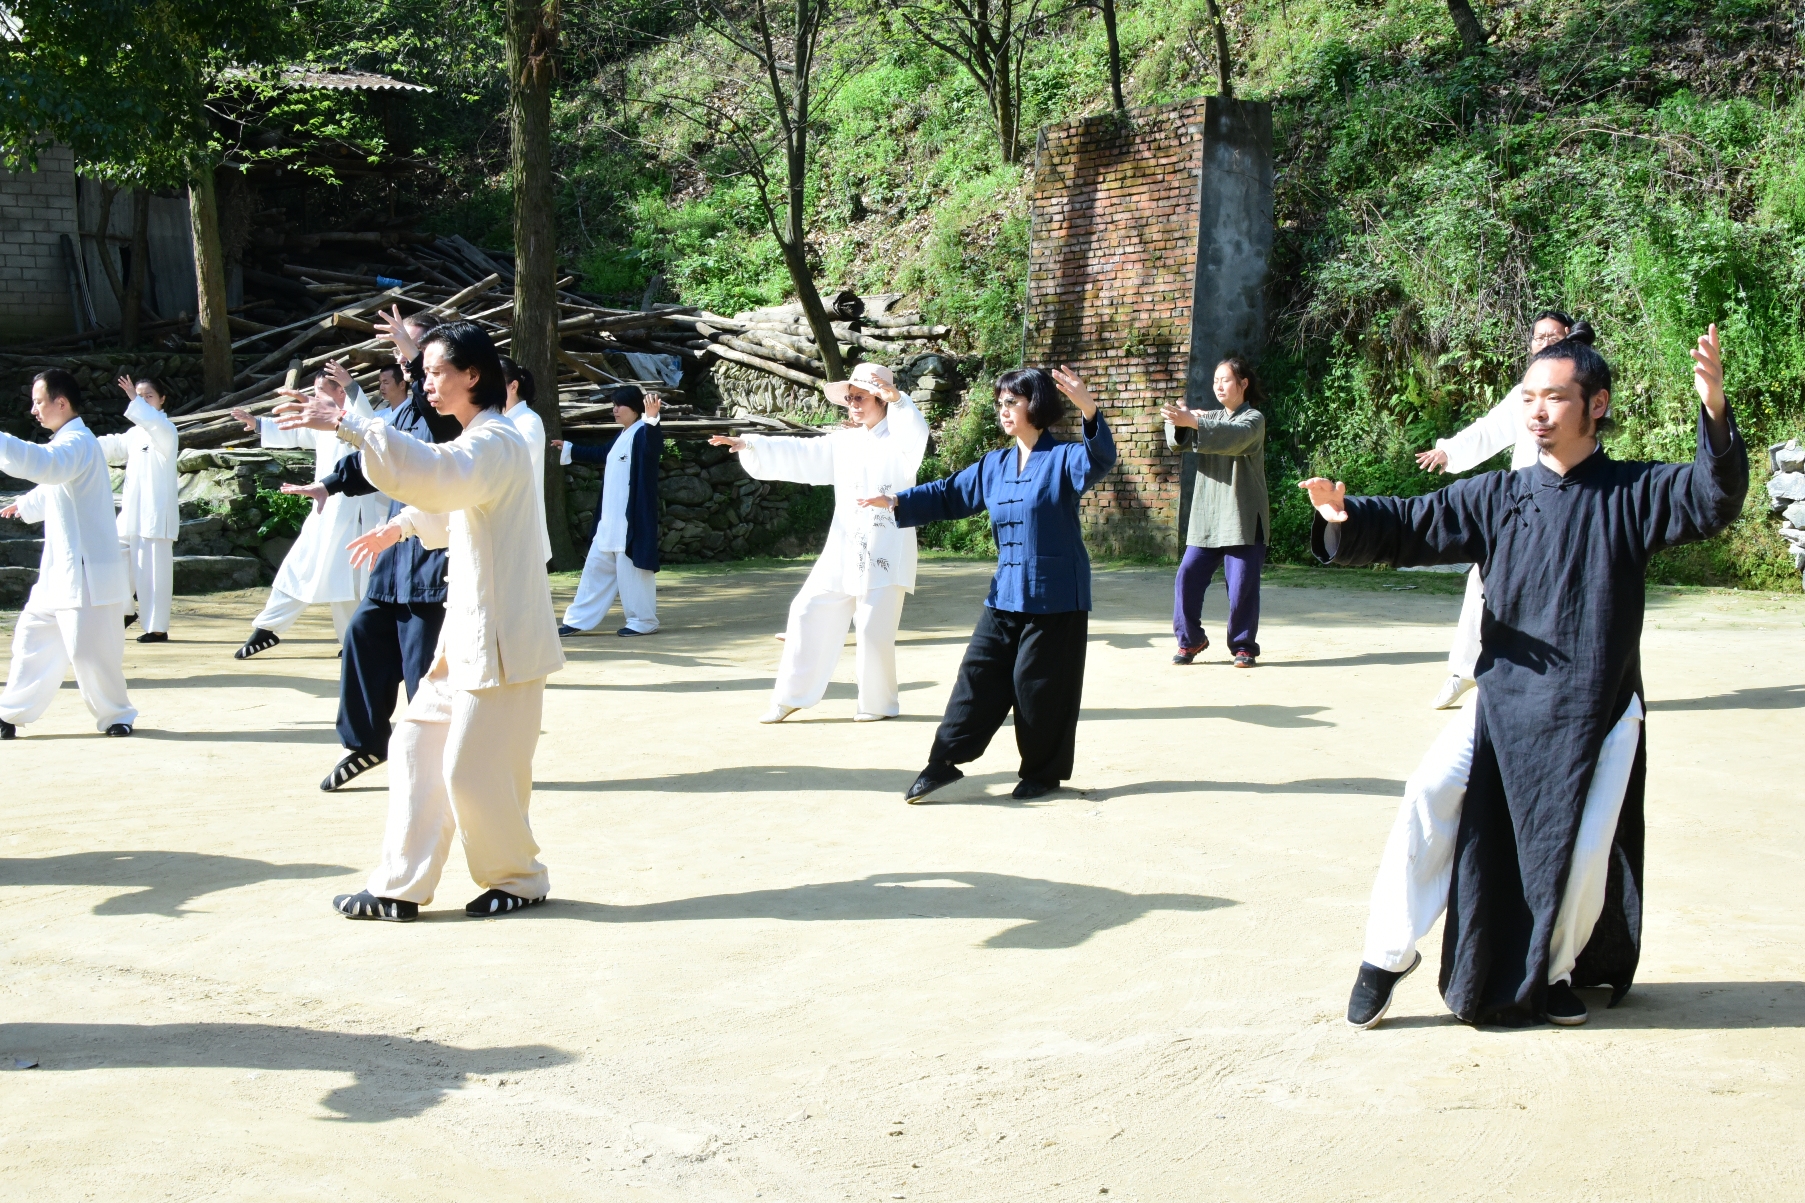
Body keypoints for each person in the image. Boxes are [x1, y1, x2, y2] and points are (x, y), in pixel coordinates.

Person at [1310, 326, 1745, 1028]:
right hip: (1505, 699)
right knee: (1428, 791)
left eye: (1554, 397)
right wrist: (1346, 516)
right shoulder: (1500, 496)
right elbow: (1415, 522)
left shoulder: (1635, 492)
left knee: (1585, 848)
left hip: (1600, 706)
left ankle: (1554, 970)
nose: (1536, 411)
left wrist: (1715, 410)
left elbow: (1710, 498)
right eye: (1527, 397)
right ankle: (1385, 953)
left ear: (1596, 404)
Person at [274, 321, 564, 922]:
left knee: (474, 772)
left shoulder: (497, 440)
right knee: (413, 744)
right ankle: (398, 888)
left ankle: (520, 878)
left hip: (503, 640)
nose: (426, 383)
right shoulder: (481, 440)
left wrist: (351, 423)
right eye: (424, 372)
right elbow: (452, 499)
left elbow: (440, 475)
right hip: (467, 636)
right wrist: (401, 526)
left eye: (436, 372)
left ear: (473, 375)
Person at [863, 366, 1115, 803]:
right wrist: (899, 501)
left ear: (1036, 405)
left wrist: (1089, 409)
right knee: (977, 676)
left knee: (1038, 686)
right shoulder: (994, 465)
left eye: (1012, 402)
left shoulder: (1064, 459)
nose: (1003, 410)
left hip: (1056, 596)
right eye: (1000, 403)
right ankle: (943, 763)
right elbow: (949, 493)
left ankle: (1043, 773)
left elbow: (1100, 458)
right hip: (1005, 594)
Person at [289, 312, 462, 792]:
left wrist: (411, 353)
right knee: (363, 637)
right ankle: (366, 742)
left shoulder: (451, 415)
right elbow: (374, 458)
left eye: (412, 349)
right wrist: (328, 484)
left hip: (434, 560)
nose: (403, 358)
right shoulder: (403, 411)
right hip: (395, 557)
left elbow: (433, 438)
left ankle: (443, 762)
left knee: (424, 667)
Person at [711, 362, 929, 723]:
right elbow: (802, 451)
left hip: (886, 544)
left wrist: (900, 400)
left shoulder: (902, 440)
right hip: (844, 544)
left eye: (860, 397)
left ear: (881, 399)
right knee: (806, 609)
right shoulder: (846, 440)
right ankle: (791, 696)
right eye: (850, 398)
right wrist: (750, 444)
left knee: (873, 629)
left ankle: (877, 704)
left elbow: (915, 431)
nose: (852, 404)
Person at [1419, 310, 1580, 709]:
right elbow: (1490, 429)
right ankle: (1465, 671)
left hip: (1571, 505)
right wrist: (1450, 450)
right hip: (1522, 505)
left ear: (1570, 337)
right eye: (1539, 337)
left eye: (1554, 336)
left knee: (1568, 592)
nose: (1545, 343)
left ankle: (1571, 681)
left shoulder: (1584, 389)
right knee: (1484, 581)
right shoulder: (1524, 392)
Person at [0, 370, 136, 739]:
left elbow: (49, 465)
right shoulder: (70, 442)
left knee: (90, 653)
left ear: (61, 403)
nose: (33, 410)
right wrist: (24, 505)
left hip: (85, 569)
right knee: (32, 638)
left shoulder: (77, 441)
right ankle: (9, 713)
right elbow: (55, 484)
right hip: (59, 569)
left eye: (38, 402)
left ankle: (117, 715)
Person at [229, 361, 387, 659]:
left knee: (350, 584)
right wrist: (258, 424)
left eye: (320, 391)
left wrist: (352, 387)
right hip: (326, 512)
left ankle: (353, 641)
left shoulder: (357, 420)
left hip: (354, 515)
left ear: (340, 392)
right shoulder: (321, 425)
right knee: (299, 565)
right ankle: (267, 628)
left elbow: (368, 425)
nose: (314, 397)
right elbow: (296, 432)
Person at [1159, 356, 1269, 668]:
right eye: (1215, 380)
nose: (1219, 386)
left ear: (1243, 384)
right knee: (1187, 576)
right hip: (1207, 516)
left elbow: (1233, 438)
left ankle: (1243, 646)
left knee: (1242, 587)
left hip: (1242, 515)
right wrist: (1179, 420)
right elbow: (1178, 443)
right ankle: (1190, 639)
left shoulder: (1253, 419)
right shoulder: (1208, 418)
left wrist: (1194, 421)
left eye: (1226, 380)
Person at [554, 384, 664, 637]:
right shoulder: (622, 435)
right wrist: (570, 448)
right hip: (609, 522)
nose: (614, 410)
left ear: (635, 408)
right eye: (613, 405)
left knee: (634, 575)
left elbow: (653, 448)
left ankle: (642, 621)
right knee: (594, 570)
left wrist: (652, 419)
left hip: (631, 522)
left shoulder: (642, 432)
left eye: (619, 405)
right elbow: (601, 453)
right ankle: (577, 619)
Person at [101, 374, 180, 643]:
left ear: (162, 400)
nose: (143, 401)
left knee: (153, 572)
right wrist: (81, 443)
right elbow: (112, 446)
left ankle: (157, 627)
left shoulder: (166, 430)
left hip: (156, 514)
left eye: (149, 396)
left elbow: (153, 423)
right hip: (131, 512)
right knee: (115, 557)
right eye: (140, 395)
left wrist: (135, 400)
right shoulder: (135, 434)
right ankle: (124, 610)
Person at [500, 356, 553, 564]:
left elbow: (513, 459)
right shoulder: (502, 420)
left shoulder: (529, 420)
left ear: (513, 386)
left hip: (520, 526)